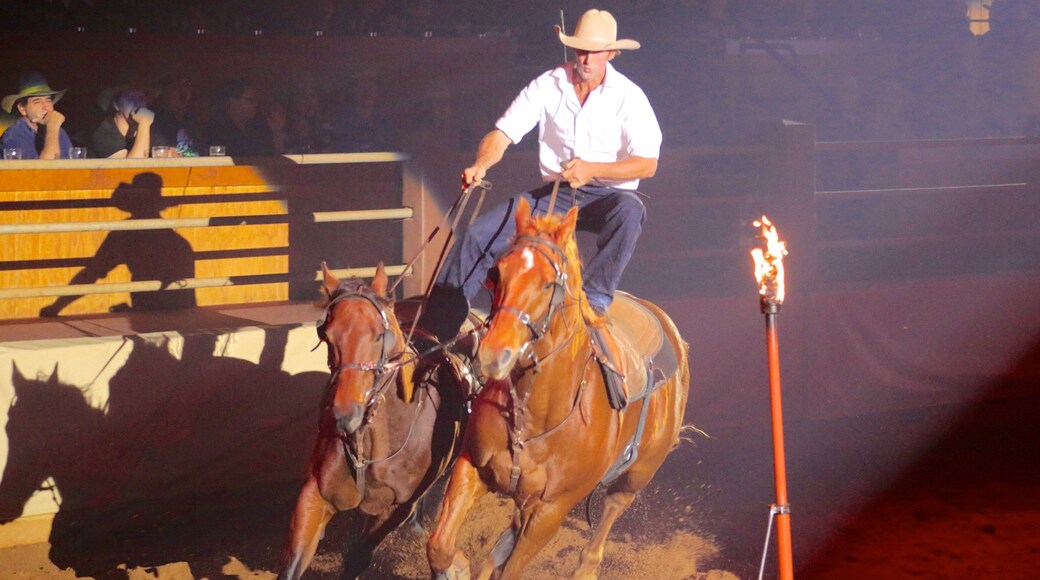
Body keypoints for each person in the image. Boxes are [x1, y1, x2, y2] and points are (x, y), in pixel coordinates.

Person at [423, 8, 662, 346]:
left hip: (606, 196)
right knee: (478, 235)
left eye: (594, 51)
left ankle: (593, 299)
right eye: (581, 50)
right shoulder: (548, 85)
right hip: (556, 194)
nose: (586, 58)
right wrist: (482, 164)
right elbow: (502, 133)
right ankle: (437, 330)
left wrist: (593, 168)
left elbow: (646, 163)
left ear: (611, 53)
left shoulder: (629, 97)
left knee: (631, 211)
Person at [0, 72, 72, 160]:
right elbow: (46, 170)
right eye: (37, 101)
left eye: (48, 100)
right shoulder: (14, 135)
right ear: (22, 109)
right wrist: (52, 127)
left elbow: (72, 167)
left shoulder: (59, 131)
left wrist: (53, 128)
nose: (46, 107)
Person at [207, 79, 283, 156]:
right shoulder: (216, 129)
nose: (255, 104)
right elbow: (216, 158)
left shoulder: (257, 127)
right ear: (233, 101)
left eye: (256, 100)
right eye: (251, 100)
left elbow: (272, 159)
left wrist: (276, 133)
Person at [90, 86, 169, 158]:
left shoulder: (152, 131)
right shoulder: (104, 133)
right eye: (130, 98)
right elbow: (131, 168)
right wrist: (144, 124)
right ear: (116, 105)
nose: (137, 102)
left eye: (141, 98)